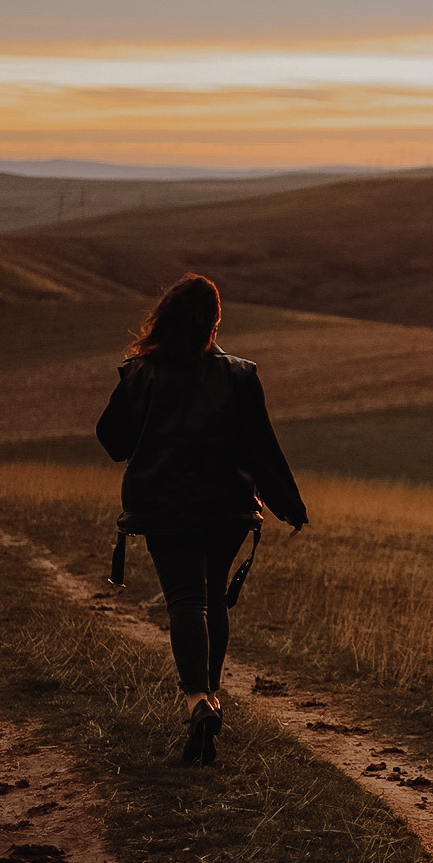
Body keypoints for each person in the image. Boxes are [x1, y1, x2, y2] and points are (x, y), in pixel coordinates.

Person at [96, 273, 307, 766]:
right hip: (227, 508)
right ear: (214, 323)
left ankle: (198, 702)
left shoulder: (139, 374)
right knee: (213, 598)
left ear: (165, 317)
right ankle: (209, 698)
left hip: (165, 509)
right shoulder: (239, 376)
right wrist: (288, 505)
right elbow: (263, 452)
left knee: (187, 601)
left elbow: (112, 442)